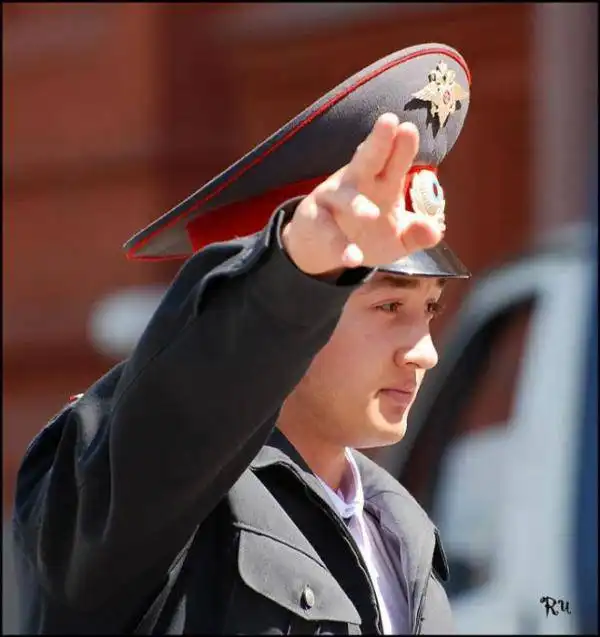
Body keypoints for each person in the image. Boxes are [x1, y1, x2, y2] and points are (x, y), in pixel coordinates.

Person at [13, 43, 472, 635]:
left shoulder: (400, 529)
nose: (424, 351)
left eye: (429, 310)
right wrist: (296, 267)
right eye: (388, 306)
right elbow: (177, 421)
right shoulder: (144, 490)